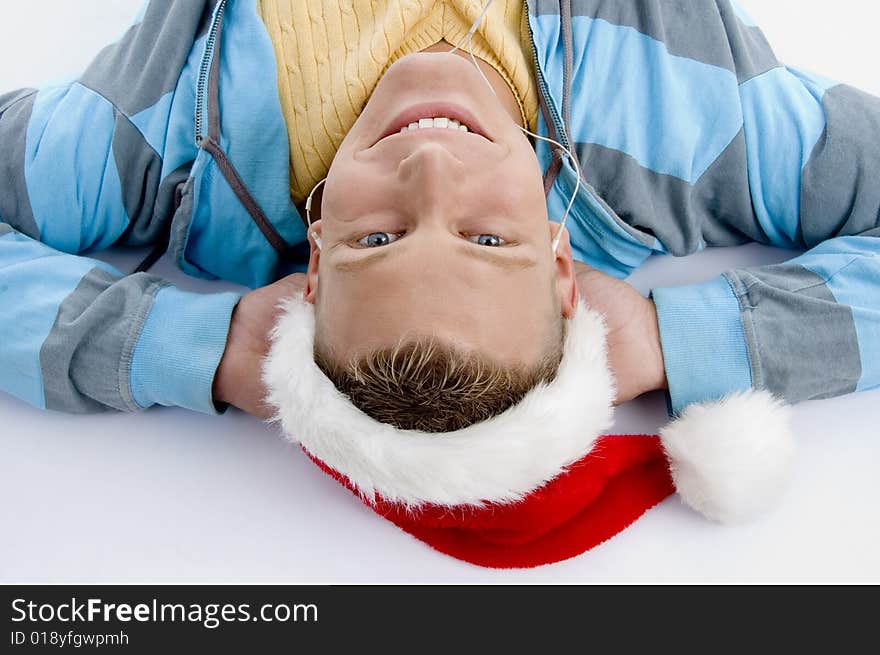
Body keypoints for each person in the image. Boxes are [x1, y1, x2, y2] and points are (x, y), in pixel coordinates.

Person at [0, 0, 877, 430]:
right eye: (486, 239)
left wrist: (201, 348)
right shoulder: (695, 126)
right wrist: (680, 339)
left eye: (377, 238)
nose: (429, 169)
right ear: (561, 265)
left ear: (312, 265)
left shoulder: (151, 152)